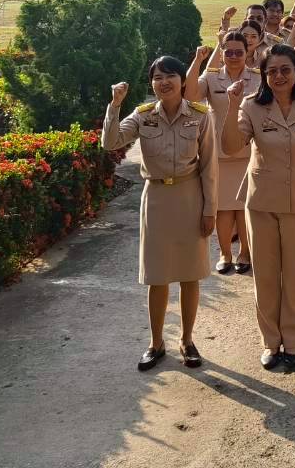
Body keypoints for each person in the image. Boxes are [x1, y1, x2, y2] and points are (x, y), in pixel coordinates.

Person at [221, 44, 295, 372]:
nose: (279, 76)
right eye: (272, 71)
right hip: (262, 204)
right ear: (264, 75)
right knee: (266, 277)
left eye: (285, 69)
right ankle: (271, 341)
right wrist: (231, 105)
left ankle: (293, 340)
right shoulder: (251, 106)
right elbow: (230, 146)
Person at [102, 57, 217, 371]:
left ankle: (187, 340)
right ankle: (156, 343)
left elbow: (209, 166)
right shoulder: (143, 116)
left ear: (182, 80)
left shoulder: (200, 116)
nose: (164, 82)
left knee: (190, 274)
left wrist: (210, 209)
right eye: (157, 78)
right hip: (156, 199)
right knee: (157, 275)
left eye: (170, 76)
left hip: (190, 195)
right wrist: (115, 105)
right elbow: (110, 142)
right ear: (151, 83)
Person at [187, 29, 261, 274]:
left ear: (247, 52)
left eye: (239, 52)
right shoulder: (211, 76)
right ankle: (225, 252)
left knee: (244, 206)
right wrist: (197, 60)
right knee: (222, 208)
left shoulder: (257, 77)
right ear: (222, 53)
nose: (233, 57)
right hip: (218, 152)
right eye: (228, 52)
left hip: (248, 151)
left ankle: (245, 252)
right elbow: (190, 94)